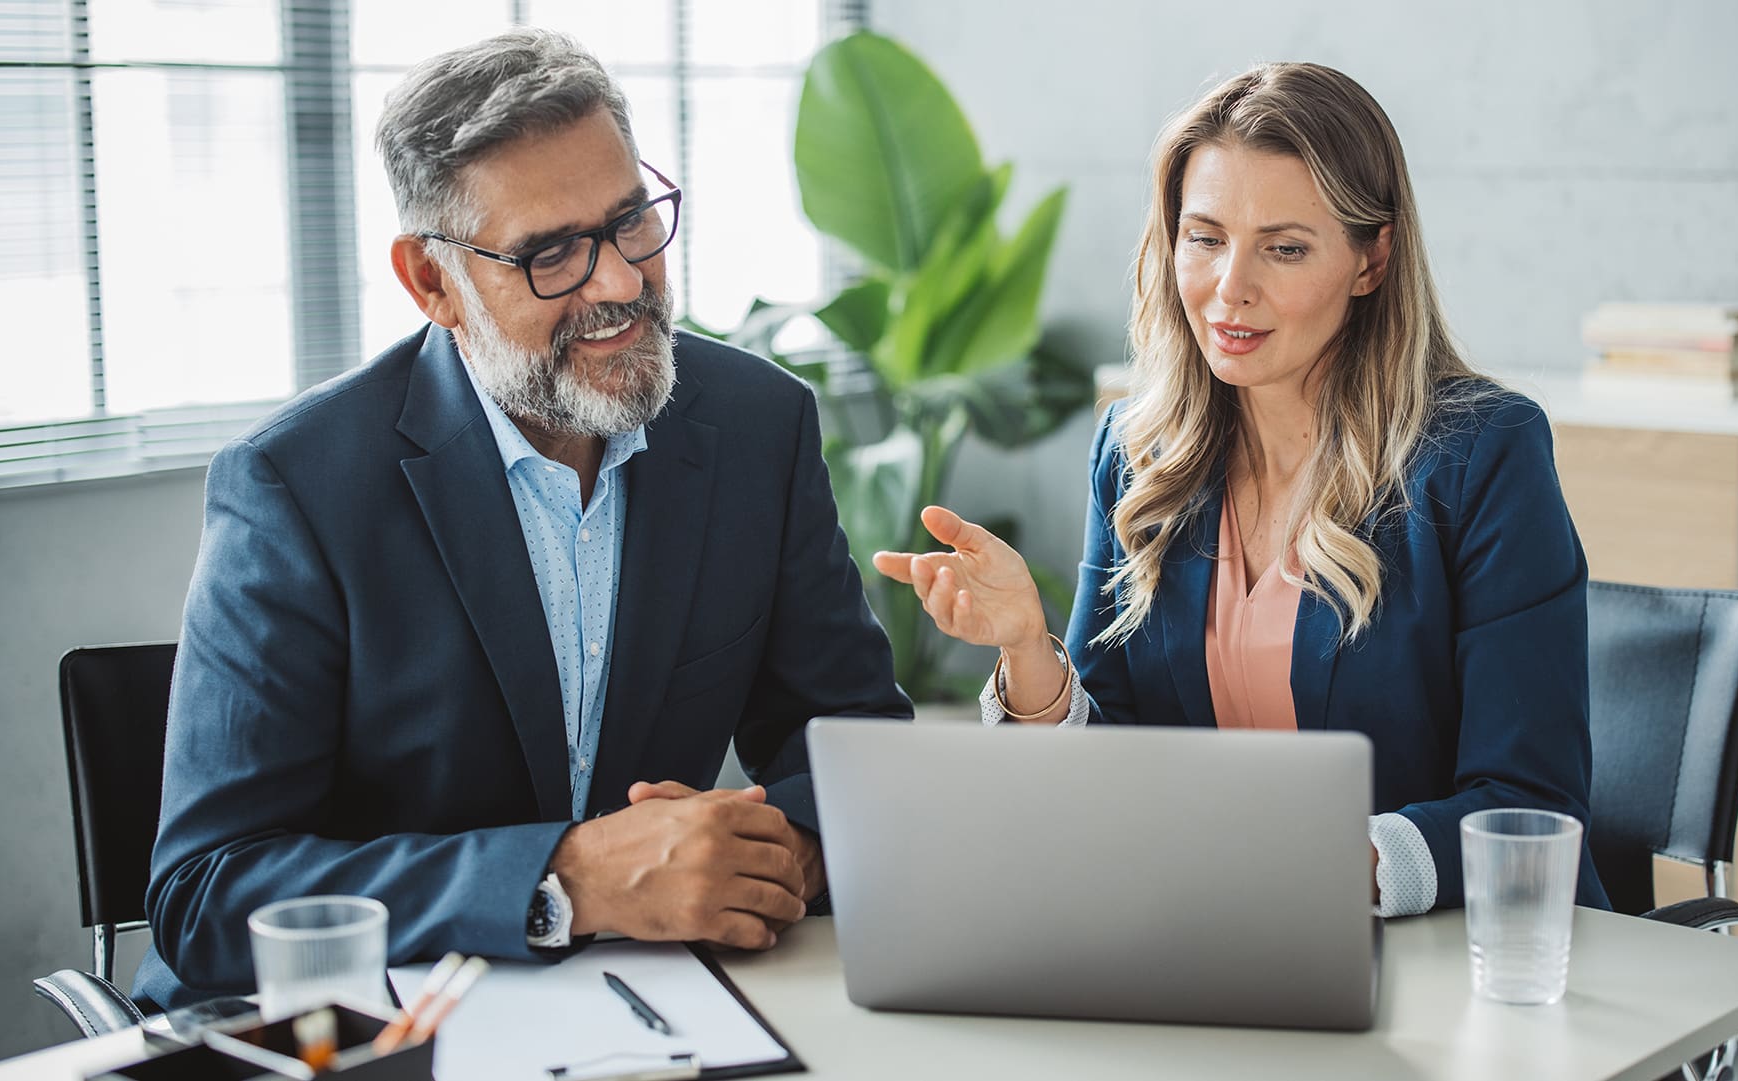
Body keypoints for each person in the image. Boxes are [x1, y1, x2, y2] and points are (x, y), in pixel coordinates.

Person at [139, 28, 909, 1008]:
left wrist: (789, 851)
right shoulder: (295, 487)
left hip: (655, 1011)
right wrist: (566, 880)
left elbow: (851, 750)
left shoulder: (760, 423)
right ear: (433, 282)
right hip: (370, 1030)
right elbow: (209, 892)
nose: (624, 282)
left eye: (633, 222)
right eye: (553, 254)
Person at [874, 63, 1608, 916]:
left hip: (1446, 959)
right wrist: (1028, 650)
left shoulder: (1481, 453)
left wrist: (1307, 869)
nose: (1231, 289)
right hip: (1208, 940)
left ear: (1372, 259)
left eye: (1285, 248)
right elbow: (1108, 770)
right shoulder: (1138, 451)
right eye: (1205, 237)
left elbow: (1530, 806)